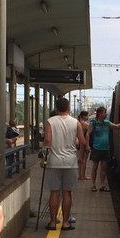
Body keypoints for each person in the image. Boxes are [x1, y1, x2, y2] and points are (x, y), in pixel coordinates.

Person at [43, 96, 83, 230]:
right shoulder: (75, 122)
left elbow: (47, 141)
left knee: (54, 192)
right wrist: (76, 144)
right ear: (68, 107)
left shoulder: (50, 121)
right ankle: (66, 223)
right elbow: (81, 142)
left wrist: (44, 157)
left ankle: (53, 222)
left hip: (54, 161)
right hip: (70, 162)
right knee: (67, 193)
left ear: (56, 108)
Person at [89, 106, 120, 192]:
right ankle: (93, 185)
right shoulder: (93, 122)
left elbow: (117, 126)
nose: (106, 114)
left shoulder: (107, 123)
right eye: (104, 112)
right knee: (94, 167)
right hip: (96, 148)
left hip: (105, 148)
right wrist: (88, 145)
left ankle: (102, 185)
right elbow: (88, 134)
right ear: (99, 113)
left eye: (106, 112)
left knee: (103, 168)